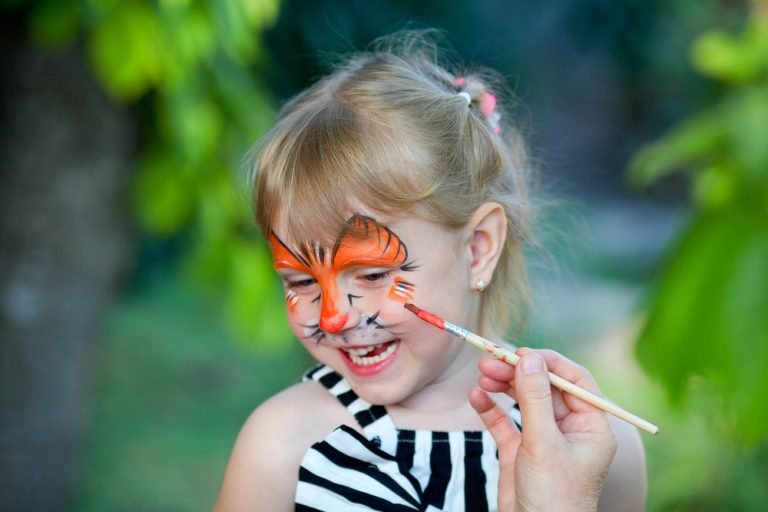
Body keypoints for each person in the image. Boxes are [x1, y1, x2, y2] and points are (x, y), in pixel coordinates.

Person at [214, 31, 646, 511]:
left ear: (479, 248)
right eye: (301, 281)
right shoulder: (282, 450)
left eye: (373, 275)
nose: (334, 317)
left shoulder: (591, 452)